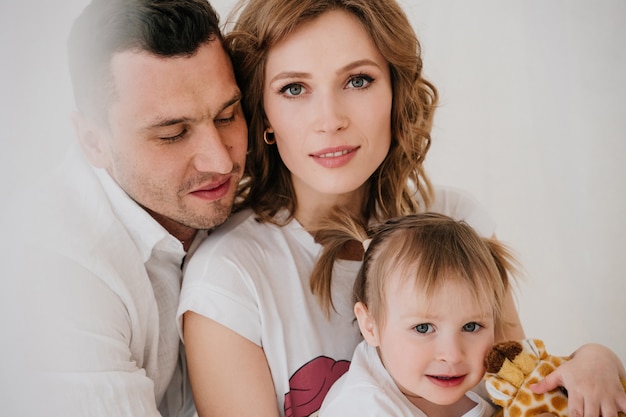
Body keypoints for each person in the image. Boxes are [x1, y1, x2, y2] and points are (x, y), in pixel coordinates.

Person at [177, 1, 626, 417]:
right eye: (294, 88)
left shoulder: (456, 222)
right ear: (264, 114)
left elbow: (515, 383)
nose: (330, 119)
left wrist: (592, 361)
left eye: (358, 80)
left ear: (396, 90)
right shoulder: (228, 278)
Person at [3, 0, 247, 415]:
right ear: (94, 142)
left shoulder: (244, 184)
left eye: (227, 115)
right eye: (172, 133)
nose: (222, 162)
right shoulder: (52, 275)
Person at [318, 211, 517, 417]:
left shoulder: (493, 381)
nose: (452, 355)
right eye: (423, 328)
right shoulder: (360, 408)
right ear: (371, 326)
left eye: (471, 326)